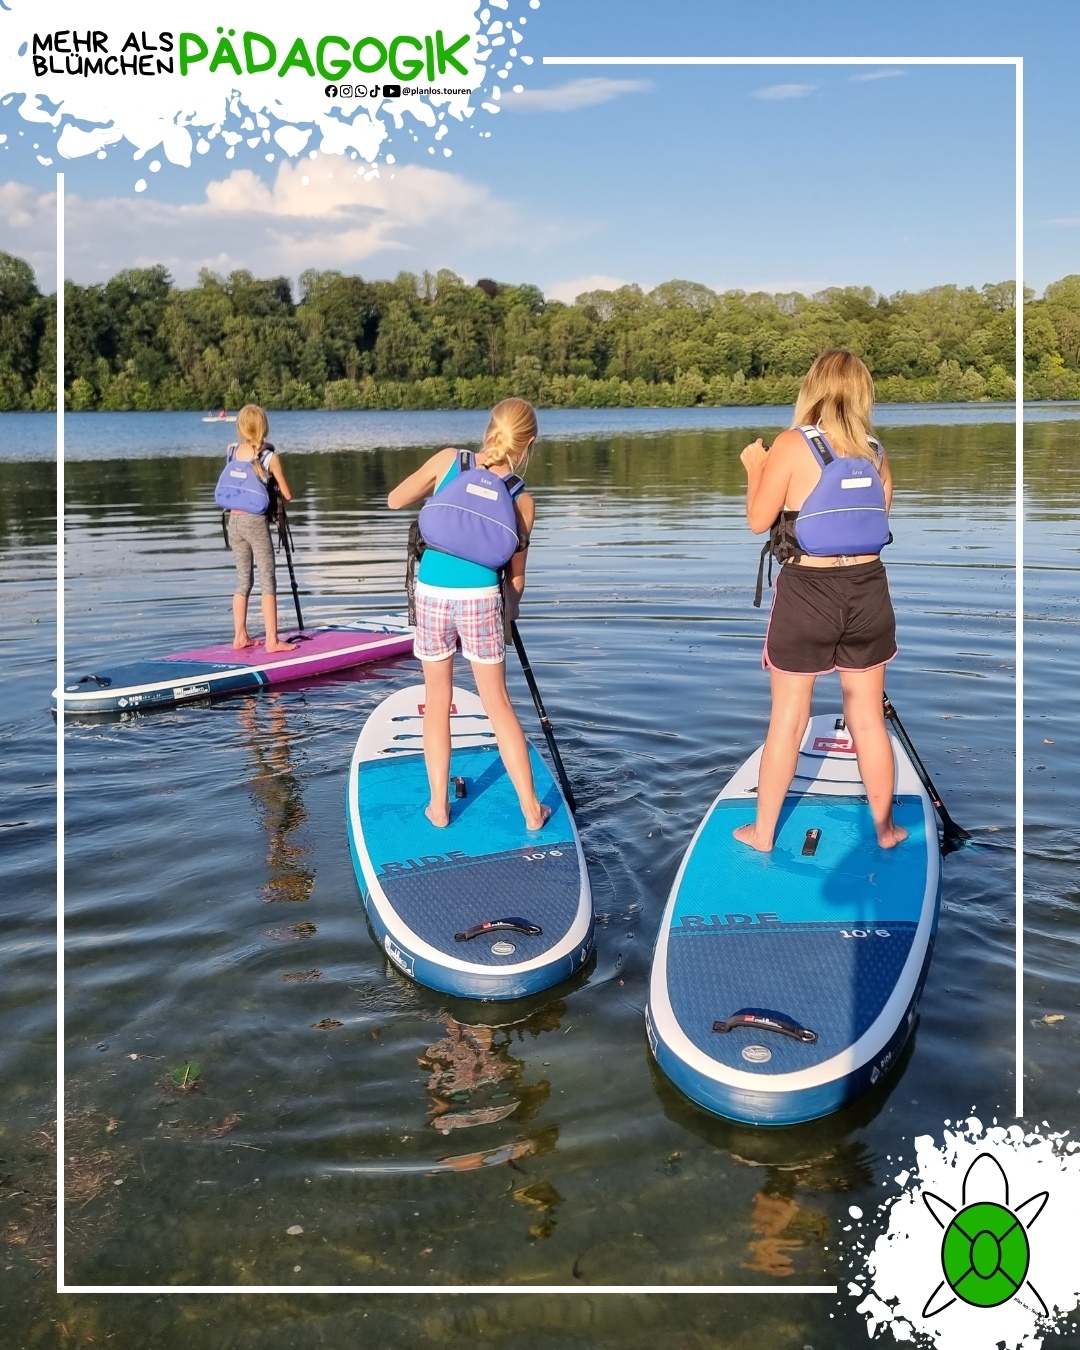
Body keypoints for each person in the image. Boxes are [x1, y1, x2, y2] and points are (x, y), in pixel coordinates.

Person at [736, 349, 906, 853]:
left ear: (812, 388)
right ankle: (886, 830)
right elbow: (877, 517)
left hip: (808, 592)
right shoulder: (876, 452)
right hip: (869, 591)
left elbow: (758, 520)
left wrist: (754, 467)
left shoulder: (793, 444)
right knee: (867, 718)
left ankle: (763, 833)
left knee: (788, 719)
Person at [387, 397, 550, 832]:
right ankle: (532, 811)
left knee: (437, 700)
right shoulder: (521, 498)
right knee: (498, 704)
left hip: (432, 593)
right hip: (481, 598)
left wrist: (441, 496)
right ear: (528, 444)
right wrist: (509, 610)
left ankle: (439, 809)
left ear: (489, 428)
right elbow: (515, 579)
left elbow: (394, 499)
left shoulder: (449, 461)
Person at [226, 404, 296, 653]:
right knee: (268, 580)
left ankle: (240, 636)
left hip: (233, 521)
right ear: (264, 426)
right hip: (255, 523)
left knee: (243, 580)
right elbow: (287, 494)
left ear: (241, 427)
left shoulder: (232, 451)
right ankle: (272, 641)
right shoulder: (269, 458)